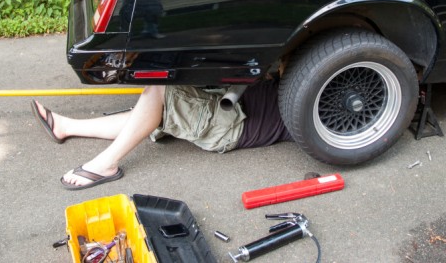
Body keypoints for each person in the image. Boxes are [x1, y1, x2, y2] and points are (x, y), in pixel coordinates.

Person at [31, 79, 292, 190]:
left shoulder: (322, 107)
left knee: (159, 92)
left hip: (230, 125)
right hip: (229, 101)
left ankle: (105, 165)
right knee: (152, 112)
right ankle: (67, 127)